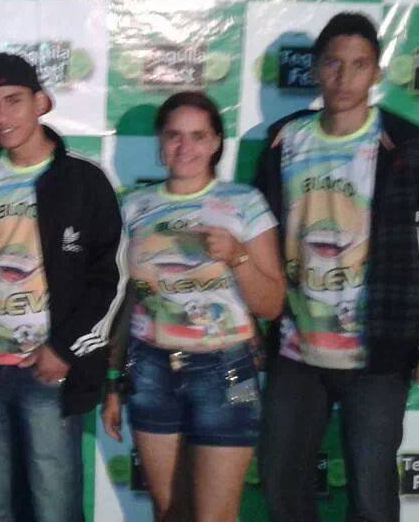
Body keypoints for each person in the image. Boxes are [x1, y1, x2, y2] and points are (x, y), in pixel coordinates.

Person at [254, 12, 419, 522]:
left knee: (371, 500)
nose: (345, 78)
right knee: (282, 492)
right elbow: (260, 241)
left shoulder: (405, 144)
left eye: (359, 65)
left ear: (377, 72)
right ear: (316, 69)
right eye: (333, 64)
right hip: (296, 350)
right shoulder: (282, 140)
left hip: (379, 356)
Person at [0, 53, 123, 522]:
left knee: (55, 511)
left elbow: (110, 281)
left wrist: (63, 349)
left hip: (48, 370)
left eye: (13, 101)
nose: (1, 116)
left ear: (42, 102)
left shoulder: (84, 180)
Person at [102, 91, 286, 522]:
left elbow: (273, 305)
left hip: (229, 371)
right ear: (160, 142)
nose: (185, 147)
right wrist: (112, 380)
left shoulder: (244, 202)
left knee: (215, 517)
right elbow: (124, 302)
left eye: (198, 136)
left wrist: (238, 256)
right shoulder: (133, 207)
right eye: (174, 136)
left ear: (216, 142)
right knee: (169, 513)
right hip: (149, 369)